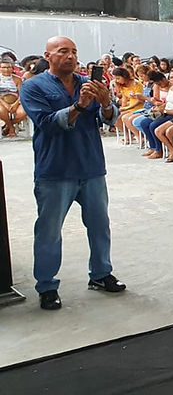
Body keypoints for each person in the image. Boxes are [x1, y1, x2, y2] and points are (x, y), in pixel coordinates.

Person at [19, 36, 126, 310]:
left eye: (74, 52)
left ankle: (101, 274)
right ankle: (46, 286)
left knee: (100, 224)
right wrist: (79, 105)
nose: (70, 56)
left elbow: (110, 119)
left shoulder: (88, 83)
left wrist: (104, 103)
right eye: (63, 51)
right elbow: (46, 124)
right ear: (48, 55)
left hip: (90, 167)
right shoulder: (33, 87)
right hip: (55, 170)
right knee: (49, 231)